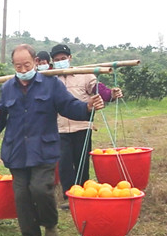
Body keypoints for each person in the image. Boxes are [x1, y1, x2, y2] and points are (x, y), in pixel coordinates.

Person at [0, 44, 104, 236]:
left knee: (40, 189)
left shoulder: (51, 84)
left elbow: (67, 105)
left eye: (26, 65)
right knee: (21, 195)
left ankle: (50, 224)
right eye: (18, 66)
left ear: (36, 62)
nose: (22, 70)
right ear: (13, 65)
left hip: (43, 149)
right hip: (16, 150)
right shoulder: (8, 88)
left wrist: (86, 107)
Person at [50, 44, 123, 209]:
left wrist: (111, 94)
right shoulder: (51, 79)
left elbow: (98, 89)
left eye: (63, 58)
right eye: (57, 60)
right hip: (60, 128)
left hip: (82, 125)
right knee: (64, 163)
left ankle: (84, 193)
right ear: (53, 62)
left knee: (81, 162)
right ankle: (70, 196)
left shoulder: (84, 75)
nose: (60, 61)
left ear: (70, 58)